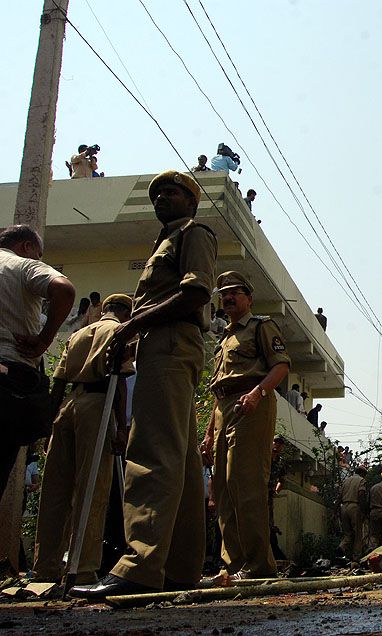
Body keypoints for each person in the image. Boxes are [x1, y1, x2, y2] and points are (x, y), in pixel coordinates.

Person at [71, 170, 217, 599]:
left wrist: (132, 325)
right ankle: (179, 569)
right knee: (181, 459)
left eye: (171, 192)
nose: (161, 199)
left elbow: (196, 293)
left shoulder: (192, 233)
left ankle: (139, 565)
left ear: (191, 201)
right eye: (156, 194)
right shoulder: (165, 240)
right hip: (164, 342)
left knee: (151, 451)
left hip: (169, 341)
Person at [32, 294, 134, 587]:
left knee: (55, 490)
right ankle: (83, 568)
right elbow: (119, 380)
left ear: (104, 310)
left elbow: (58, 382)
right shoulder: (119, 331)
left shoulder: (78, 334)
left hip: (68, 406)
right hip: (97, 405)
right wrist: (122, 427)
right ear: (126, 314)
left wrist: (49, 426)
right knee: (93, 487)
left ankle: (45, 567)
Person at [198, 271, 290, 579]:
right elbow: (218, 388)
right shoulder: (223, 339)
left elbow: (281, 365)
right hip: (224, 407)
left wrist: (258, 393)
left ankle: (258, 566)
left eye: (234, 292)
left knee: (245, 483)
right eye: (224, 294)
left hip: (252, 403)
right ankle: (234, 565)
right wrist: (209, 433)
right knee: (223, 489)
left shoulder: (261, 327)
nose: (228, 297)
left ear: (249, 298)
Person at [0, 225, 76, 496]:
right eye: (39, 254)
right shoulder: (21, 265)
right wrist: (44, 339)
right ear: (26, 247)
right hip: (8, 378)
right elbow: (64, 289)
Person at [337, 465, 367, 563]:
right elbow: (361, 494)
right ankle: (356, 557)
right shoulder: (361, 480)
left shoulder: (346, 481)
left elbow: (339, 496)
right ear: (362, 473)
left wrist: (335, 510)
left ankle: (341, 547)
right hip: (354, 507)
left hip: (344, 507)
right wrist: (363, 510)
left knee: (347, 533)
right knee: (358, 534)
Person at [267, 436, 288, 561]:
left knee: (269, 523)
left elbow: (282, 480)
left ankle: (274, 553)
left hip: (269, 495)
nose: (277, 445)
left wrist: (276, 490)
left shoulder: (280, 462)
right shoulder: (263, 456)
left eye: (280, 443)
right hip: (256, 492)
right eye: (275, 442)